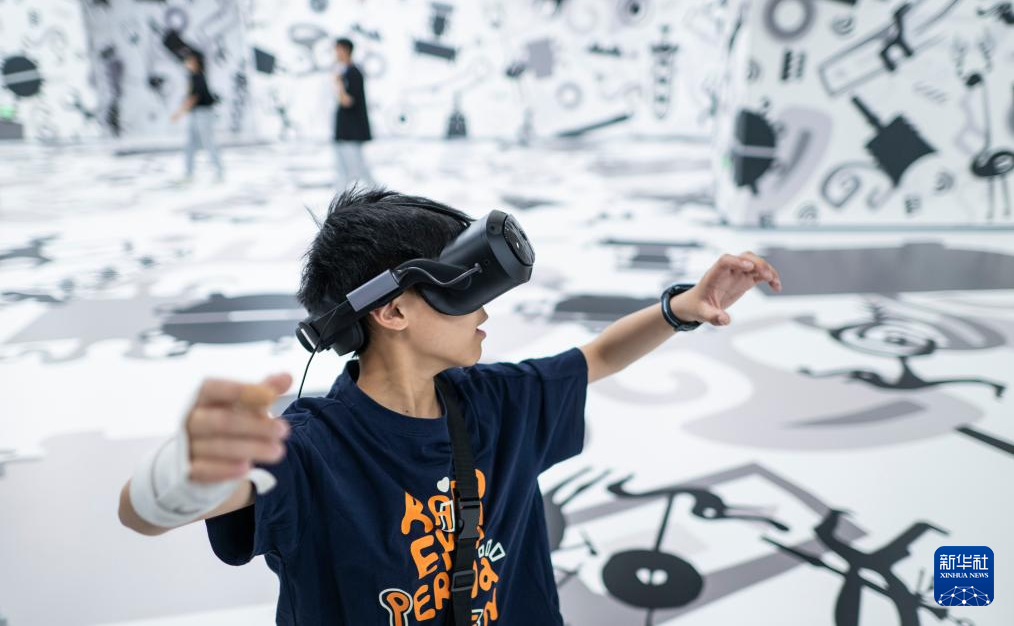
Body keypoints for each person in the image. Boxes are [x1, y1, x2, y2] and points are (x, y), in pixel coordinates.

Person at [117, 187, 782, 624]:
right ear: (394, 310)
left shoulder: (498, 403)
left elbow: (599, 356)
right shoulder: (311, 451)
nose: (485, 311)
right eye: (465, 293)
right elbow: (140, 515)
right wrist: (189, 467)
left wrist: (682, 308)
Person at [171, 49, 224, 183]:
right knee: (190, 144)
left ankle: (219, 173)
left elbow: (194, 98)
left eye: (189, 60)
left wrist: (179, 113)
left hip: (204, 113)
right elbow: (191, 98)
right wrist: (183, 110)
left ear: (195, 62)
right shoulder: (193, 76)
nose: (186, 62)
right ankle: (189, 174)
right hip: (195, 113)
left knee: (208, 142)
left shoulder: (199, 76)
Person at [333, 37, 373, 187]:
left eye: (337, 49)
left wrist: (339, 83)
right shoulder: (346, 72)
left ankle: (382, 198)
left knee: (359, 170)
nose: (335, 53)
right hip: (344, 132)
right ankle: (340, 199)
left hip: (352, 133)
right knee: (343, 172)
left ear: (345, 50)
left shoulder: (353, 73)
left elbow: (347, 101)